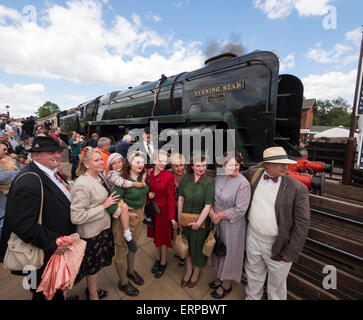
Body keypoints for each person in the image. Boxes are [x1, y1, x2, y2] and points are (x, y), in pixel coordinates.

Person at [0, 136, 77, 300]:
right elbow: (22, 225)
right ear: (35, 155)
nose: (57, 155)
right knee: (43, 293)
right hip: (43, 253)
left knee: (55, 289)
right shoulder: (28, 181)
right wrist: (54, 242)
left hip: (54, 251)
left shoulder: (50, 173)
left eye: (58, 151)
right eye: (51, 152)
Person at [242, 146, 310, 300]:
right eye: (279, 163)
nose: (285, 166)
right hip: (253, 238)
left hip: (279, 245)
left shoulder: (297, 188)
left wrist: (292, 251)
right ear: (266, 165)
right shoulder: (254, 174)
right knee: (253, 277)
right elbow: (234, 175)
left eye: (285, 163)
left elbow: (303, 223)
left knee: (277, 286)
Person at [70, 147, 120, 300]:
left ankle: (95, 289)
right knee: (92, 269)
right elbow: (76, 217)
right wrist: (103, 206)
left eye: (101, 160)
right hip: (91, 234)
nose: (100, 163)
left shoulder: (101, 176)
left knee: (97, 266)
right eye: (96, 160)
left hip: (102, 229)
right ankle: (93, 295)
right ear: (86, 164)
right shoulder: (82, 184)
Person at [208, 152, 251, 298]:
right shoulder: (220, 176)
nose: (235, 168)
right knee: (219, 250)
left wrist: (218, 215)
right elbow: (213, 196)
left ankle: (226, 285)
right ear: (223, 165)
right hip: (217, 222)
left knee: (229, 254)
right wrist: (212, 212)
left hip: (232, 226)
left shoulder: (243, 184)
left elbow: (240, 209)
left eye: (237, 165)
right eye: (231, 165)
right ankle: (221, 277)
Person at [107, 152, 149, 297]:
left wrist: (142, 206)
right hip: (123, 222)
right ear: (129, 163)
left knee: (133, 247)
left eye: (142, 162)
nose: (140, 164)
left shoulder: (140, 177)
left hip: (138, 218)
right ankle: (123, 282)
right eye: (137, 162)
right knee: (121, 253)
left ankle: (130, 271)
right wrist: (124, 211)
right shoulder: (121, 182)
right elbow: (111, 205)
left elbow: (143, 193)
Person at [178, 153, 215, 288]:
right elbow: (181, 199)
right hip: (185, 220)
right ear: (192, 166)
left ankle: (196, 272)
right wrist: (179, 218)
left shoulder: (209, 182)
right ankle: (188, 271)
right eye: (198, 165)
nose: (201, 168)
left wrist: (199, 223)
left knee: (197, 249)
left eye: (204, 165)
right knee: (186, 247)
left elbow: (208, 205)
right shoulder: (185, 179)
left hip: (200, 223)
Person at [106, 153, 146, 252]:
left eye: (119, 162)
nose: (118, 165)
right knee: (124, 207)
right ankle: (127, 234)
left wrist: (143, 179)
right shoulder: (112, 175)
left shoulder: (126, 173)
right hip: (113, 197)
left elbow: (145, 172)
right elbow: (121, 183)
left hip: (137, 213)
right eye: (114, 164)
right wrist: (134, 184)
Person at [147, 150, 177, 278]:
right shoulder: (149, 174)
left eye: (165, 161)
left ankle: (163, 262)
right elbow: (144, 188)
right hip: (153, 210)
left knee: (163, 238)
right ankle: (158, 259)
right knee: (155, 236)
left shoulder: (169, 176)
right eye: (160, 160)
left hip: (163, 212)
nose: (163, 163)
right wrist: (148, 194)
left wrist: (171, 217)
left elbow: (171, 198)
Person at [0, 143, 22, 238]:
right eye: (4, 149)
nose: (6, 152)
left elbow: (24, 170)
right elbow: (1, 178)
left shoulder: (8, 160)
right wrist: (16, 172)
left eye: (6, 149)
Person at [170, 153, 187, 267]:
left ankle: (184, 254)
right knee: (174, 230)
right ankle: (178, 249)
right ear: (172, 166)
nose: (179, 168)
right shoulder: (169, 176)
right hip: (172, 208)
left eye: (181, 165)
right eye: (176, 166)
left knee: (185, 231)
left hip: (186, 209)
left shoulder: (189, 176)